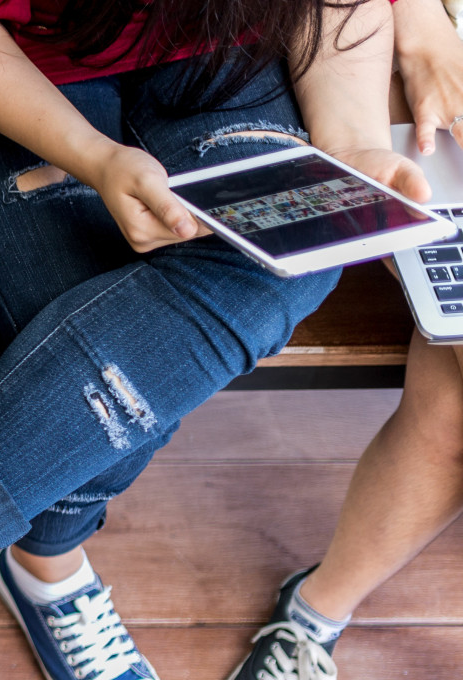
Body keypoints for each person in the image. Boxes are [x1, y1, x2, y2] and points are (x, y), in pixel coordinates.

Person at [0, 0, 430, 678]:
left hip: (228, 48)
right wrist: (95, 159)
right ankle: (45, 564)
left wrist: (355, 145)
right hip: (12, 60)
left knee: (274, 269)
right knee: (70, 361)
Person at [227, 2, 463, 677]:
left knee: (450, 413)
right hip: (408, 66)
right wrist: (420, 27)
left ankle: (314, 613)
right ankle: (314, 613)